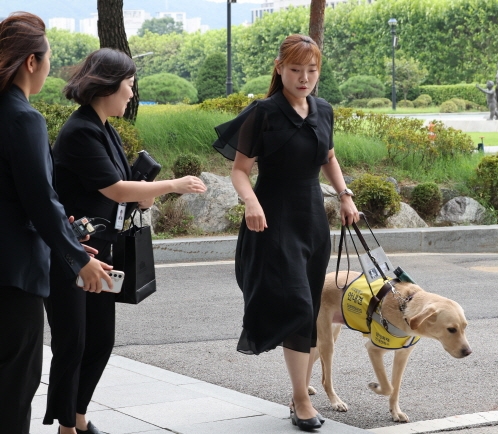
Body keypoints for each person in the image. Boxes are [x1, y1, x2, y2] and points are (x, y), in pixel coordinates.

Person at [43, 48, 207, 434]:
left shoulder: (104, 129)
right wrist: (172, 185)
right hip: (73, 253)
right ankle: (67, 426)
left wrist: (144, 195)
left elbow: (124, 189)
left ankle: (77, 417)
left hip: (101, 251)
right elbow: (115, 188)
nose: (132, 93)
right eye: (129, 85)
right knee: (73, 342)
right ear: (108, 85)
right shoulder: (81, 131)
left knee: (100, 340)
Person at [213, 34, 359, 431]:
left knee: (308, 308)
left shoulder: (323, 110)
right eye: (296, 69)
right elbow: (239, 170)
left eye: (312, 70)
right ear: (280, 69)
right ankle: (301, 399)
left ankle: (299, 396)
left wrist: (345, 195)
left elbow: (329, 157)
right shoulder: (263, 113)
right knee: (296, 304)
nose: (304, 78)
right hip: (272, 218)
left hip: (312, 220)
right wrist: (250, 201)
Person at [0, 12, 112, 434]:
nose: (49, 66)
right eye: (48, 57)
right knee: (14, 387)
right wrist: (78, 260)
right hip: (12, 277)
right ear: (32, 62)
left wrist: (68, 239)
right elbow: (39, 202)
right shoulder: (23, 117)